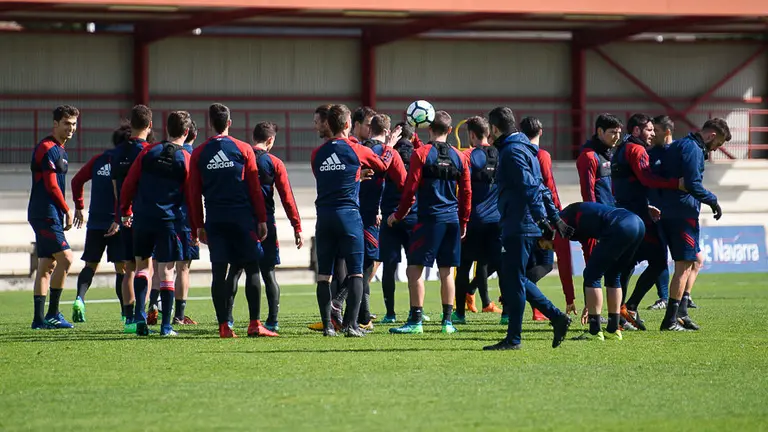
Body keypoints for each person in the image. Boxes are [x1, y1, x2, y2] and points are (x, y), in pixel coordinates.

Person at [482, 106, 573, 351]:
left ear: (495, 128)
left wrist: (544, 219)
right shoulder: (524, 148)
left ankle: (518, 336)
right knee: (516, 278)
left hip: (518, 223)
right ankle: (554, 319)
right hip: (521, 221)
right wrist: (554, 217)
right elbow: (540, 185)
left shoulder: (512, 152)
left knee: (514, 279)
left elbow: (530, 187)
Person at [312, 104, 397, 337]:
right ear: (348, 124)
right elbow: (383, 165)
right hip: (349, 216)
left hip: (324, 217)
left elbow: (331, 178)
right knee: (357, 273)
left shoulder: (316, 153)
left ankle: (328, 326)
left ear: (328, 124)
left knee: (324, 275)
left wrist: (356, 176)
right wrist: (388, 147)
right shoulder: (356, 149)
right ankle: (351, 326)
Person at [188, 103, 269, 338]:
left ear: (210, 124)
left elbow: (193, 192)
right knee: (252, 267)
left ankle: (224, 326)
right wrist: (261, 219)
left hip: (215, 219)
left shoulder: (200, 153)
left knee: (218, 272)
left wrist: (198, 226)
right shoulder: (243, 149)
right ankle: (255, 323)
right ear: (229, 123)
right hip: (243, 219)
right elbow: (255, 187)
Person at [387, 110, 471, 335]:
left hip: (429, 220)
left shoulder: (421, 154)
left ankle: (416, 321)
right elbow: (466, 193)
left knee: (414, 270)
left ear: (429, 128)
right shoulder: (460, 156)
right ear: (450, 130)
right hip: (452, 220)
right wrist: (463, 221)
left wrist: (399, 214)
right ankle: (447, 323)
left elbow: (410, 189)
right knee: (447, 271)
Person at [118, 111, 194, 337]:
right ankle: (166, 327)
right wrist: (197, 225)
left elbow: (129, 184)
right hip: (169, 221)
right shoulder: (185, 158)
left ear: (165, 128)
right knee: (167, 271)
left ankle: (140, 319)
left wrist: (125, 211)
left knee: (142, 267)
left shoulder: (148, 151)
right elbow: (191, 195)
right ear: (187, 132)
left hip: (143, 218)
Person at [226, 121, 303, 335]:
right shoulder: (274, 162)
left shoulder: (240, 158)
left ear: (253, 137)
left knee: (235, 270)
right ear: (270, 140)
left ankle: (228, 319)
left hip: (242, 221)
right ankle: (273, 320)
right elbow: (287, 198)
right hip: (266, 223)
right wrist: (297, 226)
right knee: (268, 273)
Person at [656, 118, 729, 331]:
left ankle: (681, 312)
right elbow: (692, 184)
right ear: (711, 136)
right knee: (684, 265)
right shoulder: (693, 149)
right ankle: (670, 320)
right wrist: (713, 200)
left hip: (675, 210)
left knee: (695, 260)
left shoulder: (683, 144)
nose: (717, 148)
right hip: (682, 214)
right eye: (718, 144)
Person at [611, 113, 682, 331]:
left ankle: (620, 313)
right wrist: (675, 183)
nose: (652, 133)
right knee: (659, 261)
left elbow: (625, 184)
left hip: (624, 212)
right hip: (636, 218)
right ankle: (628, 308)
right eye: (649, 129)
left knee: (626, 265)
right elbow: (647, 178)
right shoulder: (637, 149)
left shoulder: (622, 149)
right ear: (636, 131)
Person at [541, 202, 646, 341]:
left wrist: (570, 298)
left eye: (546, 246)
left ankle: (595, 330)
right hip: (637, 223)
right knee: (613, 275)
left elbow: (564, 262)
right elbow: (589, 252)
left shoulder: (557, 226)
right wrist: (589, 303)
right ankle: (613, 330)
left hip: (620, 226)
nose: (551, 249)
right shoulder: (571, 217)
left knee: (591, 276)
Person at [70, 122, 131, 322]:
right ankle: (125, 314)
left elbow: (76, 181)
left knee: (90, 266)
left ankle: (79, 299)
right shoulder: (125, 162)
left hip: (95, 222)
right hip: (117, 223)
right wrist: (117, 218)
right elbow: (121, 193)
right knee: (121, 269)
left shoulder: (99, 160)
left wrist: (79, 206)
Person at [520, 116, 576, 321]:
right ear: (541, 132)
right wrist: (557, 213)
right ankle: (523, 287)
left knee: (528, 262)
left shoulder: (516, 152)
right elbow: (548, 186)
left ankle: (524, 306)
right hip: (541, 215)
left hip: (523, 215)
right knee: (544, 263)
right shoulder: (541, 155)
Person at [28, 105, 79, 330]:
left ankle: (39, 320)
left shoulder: (60, 150)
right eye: (67, 123)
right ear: (55, 124)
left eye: (74, 124)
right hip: (45, 213)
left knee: (47, 265)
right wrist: (67, 209)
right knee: (66, 259)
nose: (71, 128)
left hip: (49, 213)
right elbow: (50, 185)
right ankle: (52, 314)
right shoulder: (48, 148)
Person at [146, 120, 200, 327]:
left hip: (159, 216)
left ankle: (153, 304)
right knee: (182, 268)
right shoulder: (190, 156)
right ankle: (178, 315)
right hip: (184, 219)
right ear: (190, 135)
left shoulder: (158, 152)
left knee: (160, 266)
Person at [108, 104, 153, 334]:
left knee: (129, 268)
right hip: (143, 215)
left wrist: (122, 212)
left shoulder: (116, 153)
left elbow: (117, 187)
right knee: (147, 265)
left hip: (123, 214)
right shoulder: (149, 150)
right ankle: (140, 315)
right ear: (149, 125)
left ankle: (127, 319)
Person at [453, 116, 502, 325]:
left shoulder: (468, 156)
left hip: (473, 220)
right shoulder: (501, 154)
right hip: (497, 222)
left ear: (471, 135)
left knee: (463, 267)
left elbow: (464, 189)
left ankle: (459, 314)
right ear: (488, 134)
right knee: (501, 266)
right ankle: (507, 313)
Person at [377, 121, 417, 323]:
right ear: (413, 136)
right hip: (412, 216)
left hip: (389, 215)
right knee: (414, 267)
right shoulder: (419, 154)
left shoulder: (388, 152)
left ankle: (390, 313)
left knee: (389, 266)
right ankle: (415, 311)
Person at [575, 114, 622, 260]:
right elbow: (588, 192)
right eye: (613, 132)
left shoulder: (611, 153)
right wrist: (596, 219)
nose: (617, 137)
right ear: (600, 132)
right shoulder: (589, 156)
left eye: (619, 132)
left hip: (615, 215)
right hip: (602, 218)